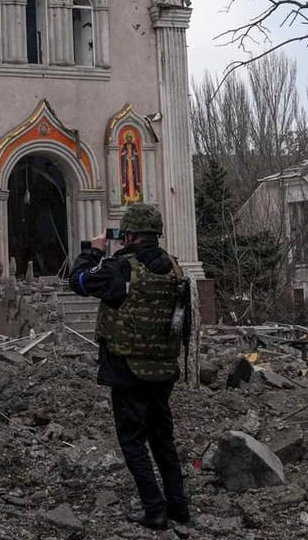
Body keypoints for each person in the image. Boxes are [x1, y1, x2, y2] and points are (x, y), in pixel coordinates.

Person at [68, 202, 192, 531]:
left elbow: (78, 282)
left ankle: (155, 509)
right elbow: (182, 323)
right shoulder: (175, 269)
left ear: (130, 235)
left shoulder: (120, 268)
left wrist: (93, 252)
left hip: (128, 367)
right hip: (163, 368)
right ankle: (179, 506)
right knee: (162, 438)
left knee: (133, 440)